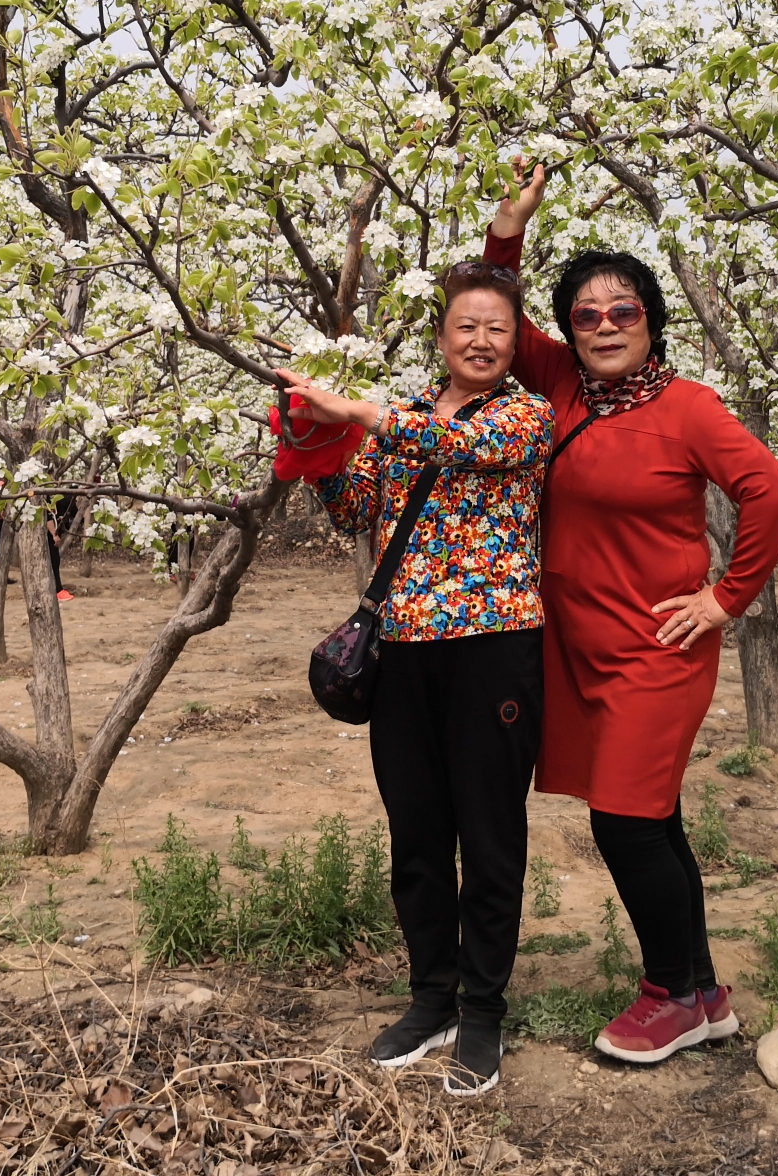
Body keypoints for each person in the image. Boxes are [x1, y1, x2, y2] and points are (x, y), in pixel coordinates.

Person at [483, 161, 778, 1065]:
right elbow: (498, 312)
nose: (605, 325)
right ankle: (703, 991)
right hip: (579, 651)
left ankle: (668, 998)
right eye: (587, 314)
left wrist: (726, 597)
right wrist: (510, 225)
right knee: (651, 819)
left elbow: (768, 490)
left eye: (624, 311)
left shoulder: (689, 408)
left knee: (622, 820)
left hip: (658, 652)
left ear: (652, 323)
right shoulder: (562, 389)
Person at [278, 260, 554, 1097]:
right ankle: (431, 994)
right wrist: (313, 444)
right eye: (466, 326)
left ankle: (483, 1010)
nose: (481, 340)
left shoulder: (524, 418)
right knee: (419, 833)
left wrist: (358, 413)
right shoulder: (402, 422)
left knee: (490, 832)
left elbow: (461, 447)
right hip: (403, 649)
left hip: (492, 645)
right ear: (441, 337)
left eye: (497, 329)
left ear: (515, 344)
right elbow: (356, 509)